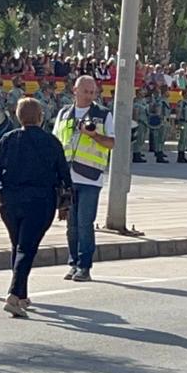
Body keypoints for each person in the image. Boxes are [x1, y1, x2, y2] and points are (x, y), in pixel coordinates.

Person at [0, 98, 72, 317]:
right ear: (40, 117)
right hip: (40, 200)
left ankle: (22, 294)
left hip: (9, 201)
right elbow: (64, 175)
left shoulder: (8, 139)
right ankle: (13, 295)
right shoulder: (51, 142)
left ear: (18, 117)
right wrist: (64, 205)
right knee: (26, 248)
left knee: (18, 245)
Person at [53, 75, 115, 282]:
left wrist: (94, 135)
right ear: (75, 91)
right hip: (67, 178)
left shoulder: (103, 114)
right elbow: (56, 143)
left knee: (85, 223)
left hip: (90, 177)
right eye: (86, 91)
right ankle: (73, 263)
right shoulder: (63, 114)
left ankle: (84, 266)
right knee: (71, 224)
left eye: (93, 92)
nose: (89, 96)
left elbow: (111, 143)